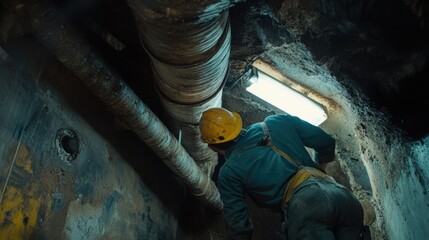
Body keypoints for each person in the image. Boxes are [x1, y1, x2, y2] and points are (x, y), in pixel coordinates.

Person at [199, 107, 365, 240]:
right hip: (344, 197)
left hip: (305, 207)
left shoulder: (229, 172)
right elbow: (326, 142)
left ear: (212, 147)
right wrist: (320, 170)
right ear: (237, 123)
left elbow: (239, 228)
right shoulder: (278, 121)